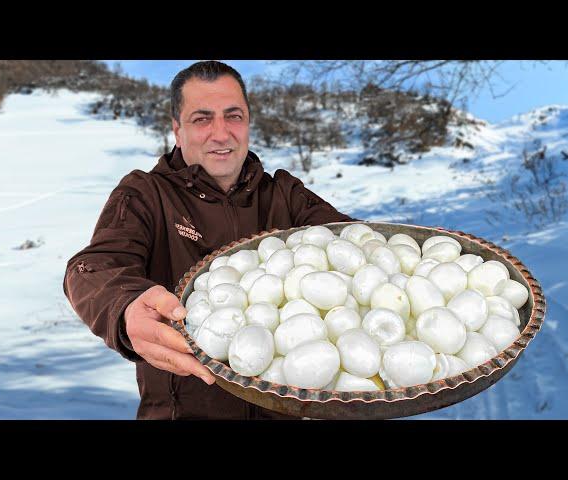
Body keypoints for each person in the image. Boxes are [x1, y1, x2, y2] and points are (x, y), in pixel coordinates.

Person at [63, 60, 356, 420]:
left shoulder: (283, 195)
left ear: (247, 122)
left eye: (233, 116)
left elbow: (356, 244)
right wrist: (125, 306)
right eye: (202, 118)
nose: (221, 133)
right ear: (177, 129)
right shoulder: (146, 195)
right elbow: (92, 268)